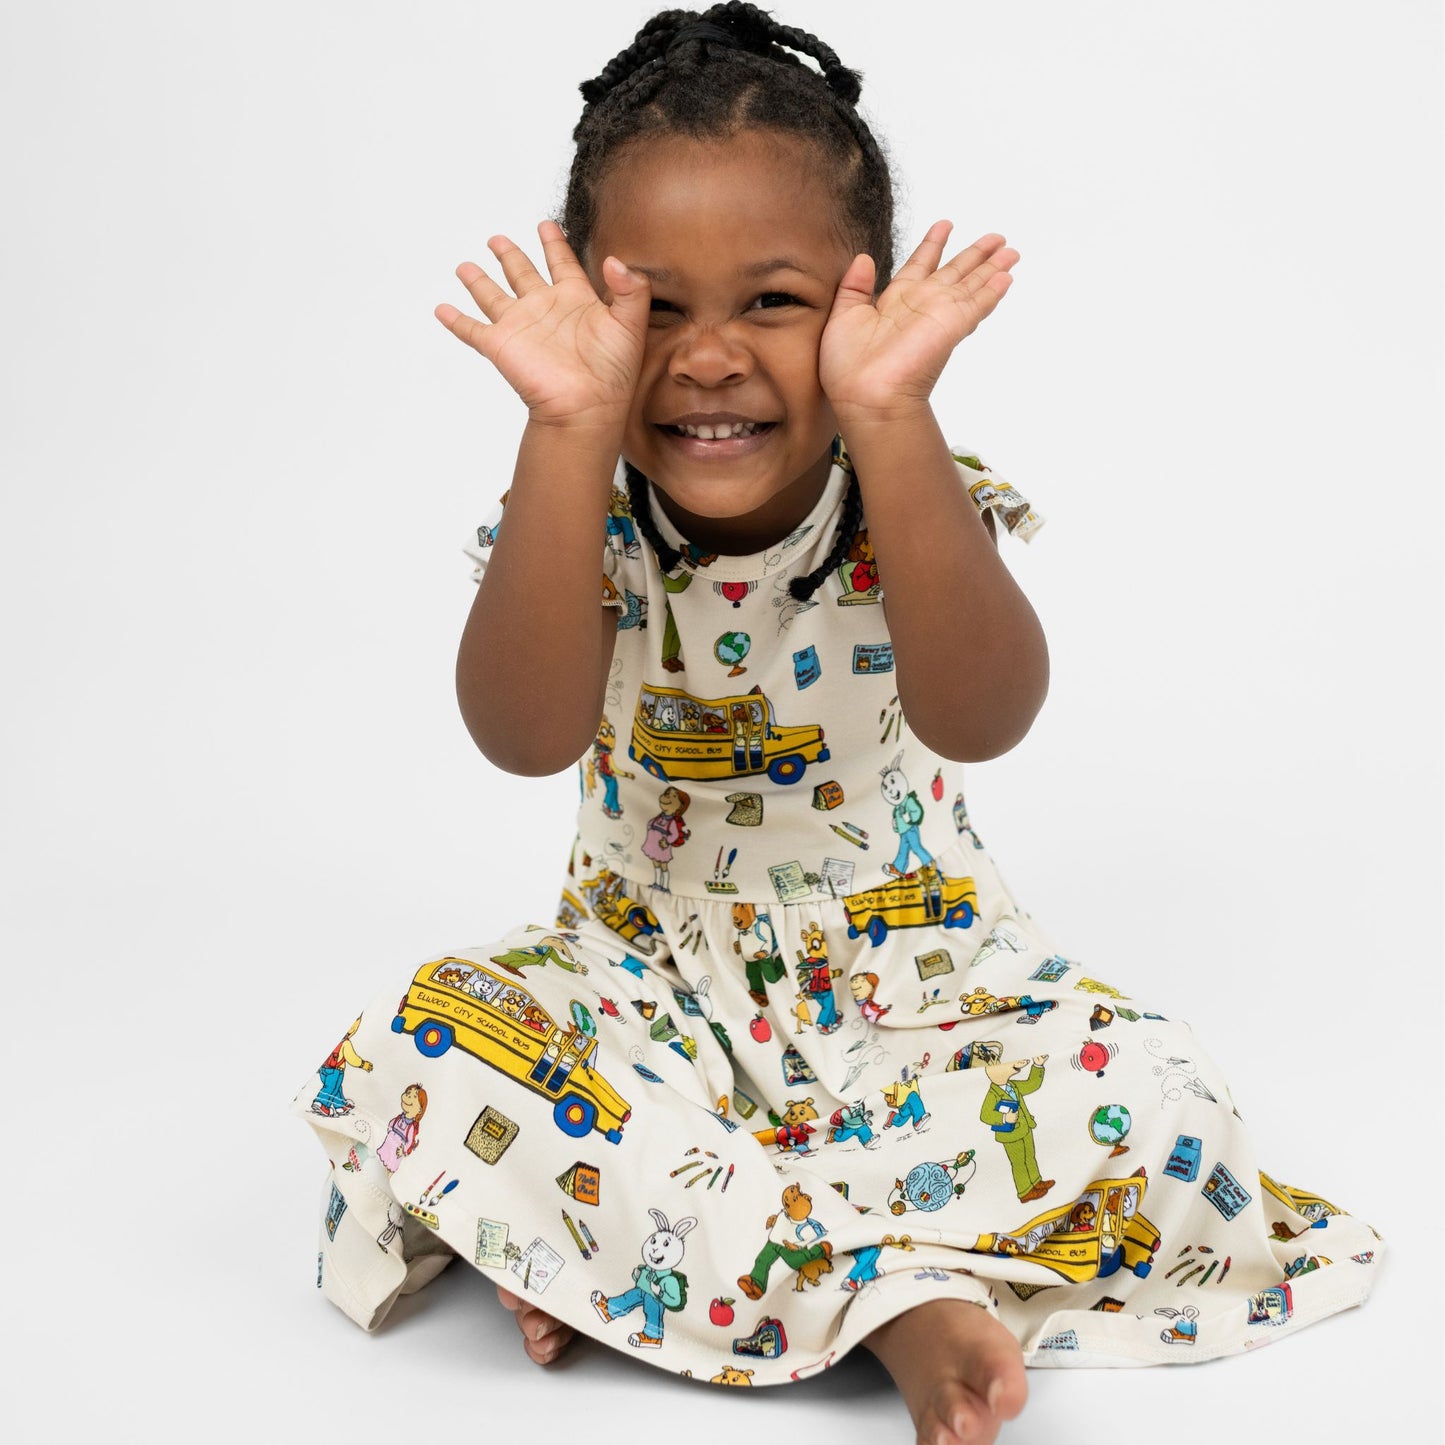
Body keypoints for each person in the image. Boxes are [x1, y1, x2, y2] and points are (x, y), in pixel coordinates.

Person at [291, 6, 1382, 1442]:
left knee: (1160, 1091)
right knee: (424, 1039)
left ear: (858, 302)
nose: (706, 357)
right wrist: (559, 432)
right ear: (582, 303)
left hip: (919, 989)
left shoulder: (907, 479)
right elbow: (522, 731)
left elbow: (985, 714)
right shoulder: (583, 502)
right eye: (654, 305)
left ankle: (652, 1256)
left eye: (772, 302)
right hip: (640, 994)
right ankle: (896, 1299)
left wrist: (895, 418)